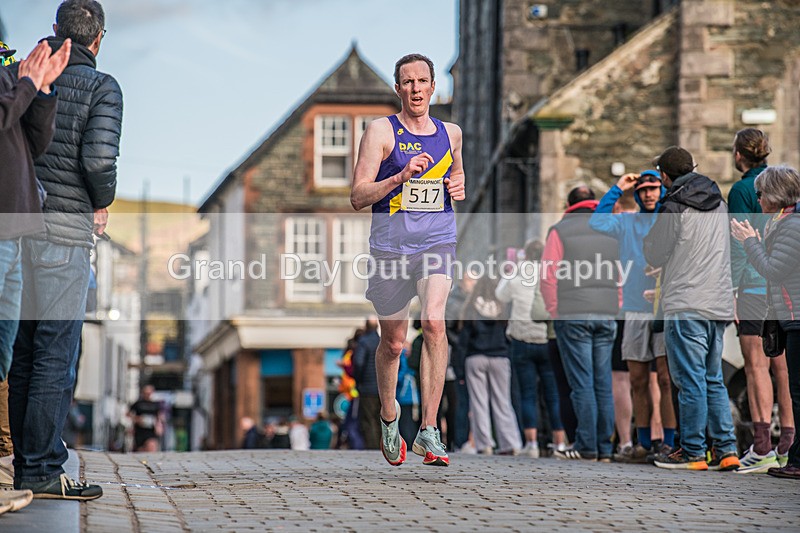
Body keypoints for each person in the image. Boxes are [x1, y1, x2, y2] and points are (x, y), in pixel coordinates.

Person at [8, 0, 122, 501]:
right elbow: (99, 160)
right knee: (57, 352)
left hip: (18, 224)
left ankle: (24, 463)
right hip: (66, 231)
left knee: (23, 353)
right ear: (98, 39)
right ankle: (43, 468)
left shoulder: (22, 74)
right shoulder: (103, 87)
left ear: (56, 31)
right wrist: (102, 202)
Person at [350, 53, 465, 467]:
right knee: (395, 343)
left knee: (434, 322)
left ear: (433, 86)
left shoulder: (451, 132)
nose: (415, 88)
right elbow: (358, 196)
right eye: (407, 82)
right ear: (398, 89)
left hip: (437, 240)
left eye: (422, 81)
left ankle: (429, 430)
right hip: (391, 247)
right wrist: (399, 178)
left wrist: (458, 183)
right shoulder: (381, 131)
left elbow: (457, 175)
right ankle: (389, 415)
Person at [0, 38, 69, 516]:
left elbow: (31, 141)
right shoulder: (13, 69)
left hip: (18, 228)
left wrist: (42, 93)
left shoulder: (7, 58)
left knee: (2, 357)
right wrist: (26, 82)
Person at [644, 146, 739, 471]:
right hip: (719, 301)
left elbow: (655, 253)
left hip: (687, 301)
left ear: (666, 176)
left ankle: (694, 451)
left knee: (690, 379)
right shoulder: (720, 203)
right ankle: (726, 450)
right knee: (713, 377)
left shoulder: (673, 206)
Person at [590, 171, 677, 462]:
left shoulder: (670, 219)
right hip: (635, 307)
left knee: (665, 379)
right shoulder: (627, 221)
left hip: (664, 306)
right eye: (643, 190)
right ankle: (642, 441)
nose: (649, 194)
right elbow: (597, 220)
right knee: (638, 379)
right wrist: (617, 188)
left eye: (653, 189)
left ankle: (667, 441)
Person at [728, 130, 794, 474]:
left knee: (756, 366)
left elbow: (740, 242)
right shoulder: (784, 183)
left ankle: (762, 445)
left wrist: (734, 288)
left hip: (755, 285)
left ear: (739, 155)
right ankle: (788, 445)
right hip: (783, 288)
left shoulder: (742, 190)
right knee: (784, 368)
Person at [542, 186, 620, 461]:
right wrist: (616, 304)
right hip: (606, 313)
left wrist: (555, 310)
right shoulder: (610, 228)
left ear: (568, 204)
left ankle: (586, 444)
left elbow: (549, 275)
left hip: (572, 312)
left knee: (581, 383)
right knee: (603, 382)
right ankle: (605, 447)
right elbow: (620, 270)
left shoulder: (560, 230)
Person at [496, 240, 566, 457]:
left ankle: (532, 443)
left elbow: (500, 295)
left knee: (527, 393)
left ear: (525, 254)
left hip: (521, 337)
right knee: (553, 394)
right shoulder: (551, 272)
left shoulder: (517, 274)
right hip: (546, 337)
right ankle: (560, 442)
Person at [457, 275, 521, 455]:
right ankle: (510, 442)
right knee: (503, 401)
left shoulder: (470, 307)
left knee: (478, 403)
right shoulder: (504, 307)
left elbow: (463, 340)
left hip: (475, 357)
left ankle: (484, 443)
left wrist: (459, 369)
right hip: (500, 356)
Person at [352, 317, 381, 449]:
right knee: (381, 419)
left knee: (368, 420)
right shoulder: (381, 341)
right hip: (382, 388)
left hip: (367, 388)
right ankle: (384, 447)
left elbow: (358, 362)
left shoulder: (363, 342)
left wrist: (358, 380)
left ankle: (372, 447)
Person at [129, 385, 163, 452]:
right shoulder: (138, 403)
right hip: (140, 430)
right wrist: (136, 419)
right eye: (146, 393)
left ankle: (151, 460)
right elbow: (128, 413)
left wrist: (159, 426)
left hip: (151, 430)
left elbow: (159, 416)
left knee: (151, 445)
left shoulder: (155, 404)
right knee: (140, 450)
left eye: (149, 393)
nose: (147, 395)